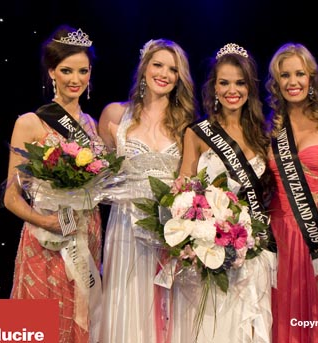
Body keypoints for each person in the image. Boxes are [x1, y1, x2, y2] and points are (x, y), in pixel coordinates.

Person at [171, 43, 277, 343]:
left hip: (250, 254)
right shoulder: (197, 133)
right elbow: (182, 193)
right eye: (225, 82)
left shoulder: (262, 135)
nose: (233, 90)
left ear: (250, 87)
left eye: (240, 82)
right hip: (209, 252)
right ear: (214, 87)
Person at [4, 25, 103, 342]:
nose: (75, 79)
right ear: (51, 73)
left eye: (83, 71)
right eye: (66, 70)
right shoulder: (30, 122)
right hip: (44, 237)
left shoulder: (92, 125)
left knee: (82, 319)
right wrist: (45, 220)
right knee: (36, 327)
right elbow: (11, 197)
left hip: (85, 233)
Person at [97, 39, 196, 343]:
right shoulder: (116, 116)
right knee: (126, 301)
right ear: (144, 68)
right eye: (158, 65)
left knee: (169, 308)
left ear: (180, 78)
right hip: (126, 227)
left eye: (173, 69)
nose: (164, 73)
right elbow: (98, 176)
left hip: (169, 230)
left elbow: (189, 181)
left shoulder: (186, 125)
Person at [265, 42, 318, 343]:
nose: (292, 82)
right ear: (276, 83)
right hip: (281, 237)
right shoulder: (267, 130)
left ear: (311, 78)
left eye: (299, 74)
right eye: (284, 76)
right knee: (283, 319)